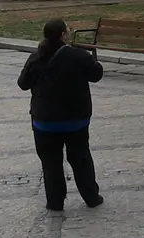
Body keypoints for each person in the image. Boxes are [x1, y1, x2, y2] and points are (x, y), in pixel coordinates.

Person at [17, 17, 104, 212]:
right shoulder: (79, 56)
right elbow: (97, 74)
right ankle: (91, 196)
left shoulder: (36, 57)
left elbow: (23, 83)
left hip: (45, 121)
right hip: (75, 120)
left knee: (50, 162)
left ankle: (55, 202)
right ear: (63, 35)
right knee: (81, 158)